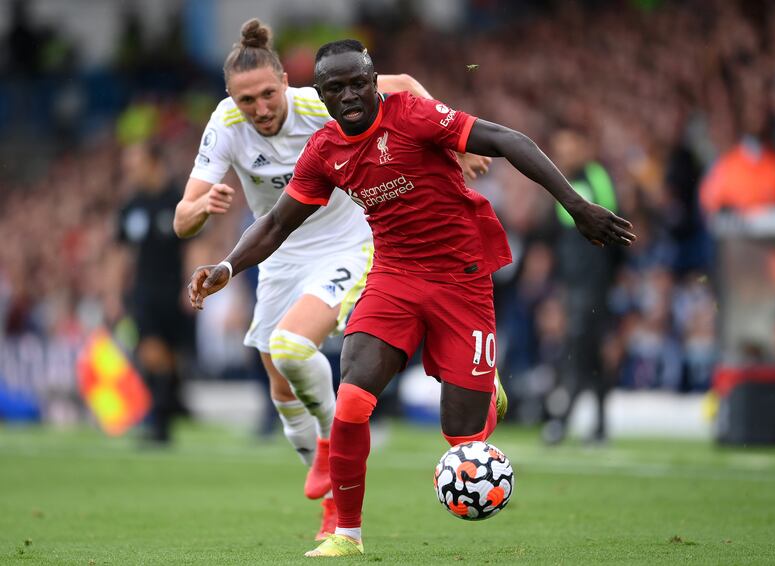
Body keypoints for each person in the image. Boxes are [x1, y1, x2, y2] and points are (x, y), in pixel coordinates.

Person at [187, 40, 636, 557]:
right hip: (394, 276)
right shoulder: (325, 151)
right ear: (323, 96)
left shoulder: (414, 115)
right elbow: (275, 225)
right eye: (336, 88)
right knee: (352, 399)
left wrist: (577, 206)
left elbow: (508, 139)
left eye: (359, 82)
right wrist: (226, 266)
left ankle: (483, 392)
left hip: (460, 278)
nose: (350, 95)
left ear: (374, 79)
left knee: (462, 439)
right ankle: (346, 534)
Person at [173, 20, 489, 541]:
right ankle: (325, 485)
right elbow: (182, 219)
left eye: (268, 93)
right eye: (246, 100)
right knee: (281, 382)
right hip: (278, 250)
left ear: (285, 82)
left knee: (293, 346)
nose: (261, 108)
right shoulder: (225, 124)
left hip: (348, 240)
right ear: (231, 99)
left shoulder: (319, 101)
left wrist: (452, 143)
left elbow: (405, 86)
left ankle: (333, 444)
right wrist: (203, 207)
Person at [541, 128, 623, 445]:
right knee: (589, 354)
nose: (562, 154)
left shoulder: (596, 176)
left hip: (593, 281)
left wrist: (610, 277)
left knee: (578, 350)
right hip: (572, 282)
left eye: (568, 147)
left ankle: (561, 422)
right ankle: (600, 426)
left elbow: (614, 220)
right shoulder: (562, 182)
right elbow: (555, 236)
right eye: (558, 148)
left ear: (583, 147)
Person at [117, 141, 191, 444]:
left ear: (153, 163)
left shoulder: (178, 200)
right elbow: (120, 251)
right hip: (143, 292)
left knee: (171, 358)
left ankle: (168, 413)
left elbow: (194, 244)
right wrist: (113, 292)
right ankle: (159, 419)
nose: (130, 172)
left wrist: (192, 285)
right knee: (150, 352)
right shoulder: (131, 206)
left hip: (174, 289)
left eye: (134, 165)